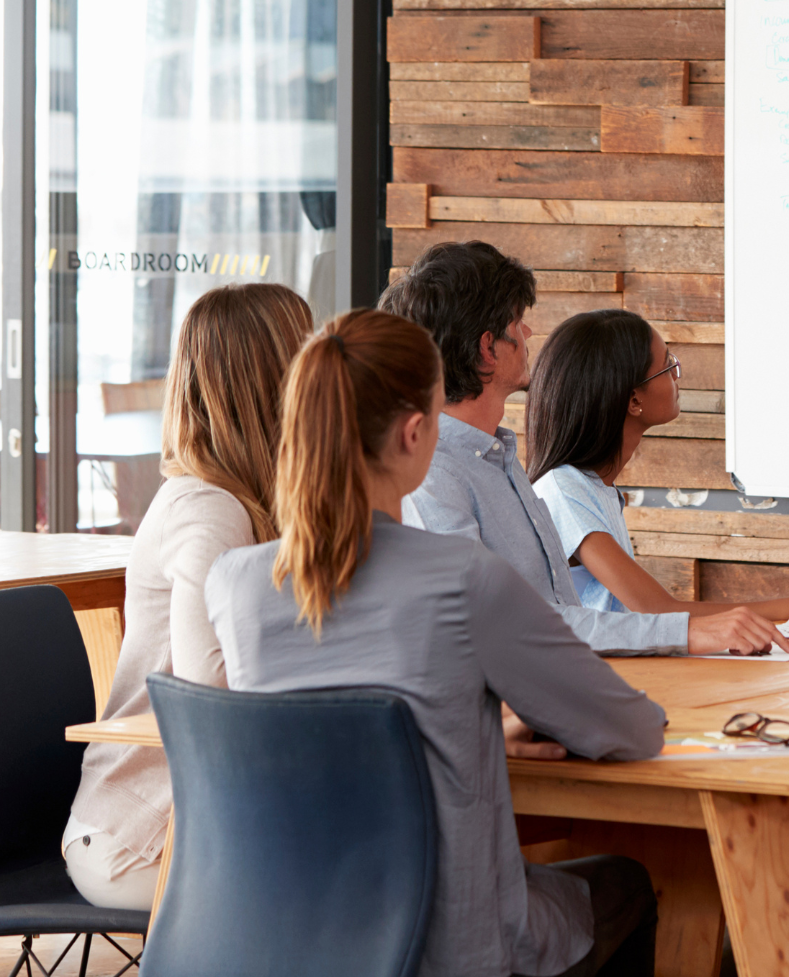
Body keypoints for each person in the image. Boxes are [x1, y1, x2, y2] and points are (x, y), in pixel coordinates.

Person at [207, 308, 667, 977]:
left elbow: (327, 729)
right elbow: (630, 729)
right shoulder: (464, 579)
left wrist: (457, 730)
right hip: (453, 944)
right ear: (416, 433)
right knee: (625, 881)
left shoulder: (234, 584)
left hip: (287, 937)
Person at [381, 240, 785, 655]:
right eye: (517, 322)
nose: (528, 332)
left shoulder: (498, 458)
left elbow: (553, 614)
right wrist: (684, 633)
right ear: (488, 349)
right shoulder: (432, 476)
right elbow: (502, 625)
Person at [62, 282, 313, 911]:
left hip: (215, 810)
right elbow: (213, 696)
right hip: (144, 833)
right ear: (278, 379)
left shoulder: (259, 503)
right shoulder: (209, 510)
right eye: (310, 354)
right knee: (370, 879)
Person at [528, 308, 789, 621]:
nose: (677, 375)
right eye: (666, 366)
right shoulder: (563, 490)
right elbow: (657, 613)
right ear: (633, 400)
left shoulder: (595, 488)